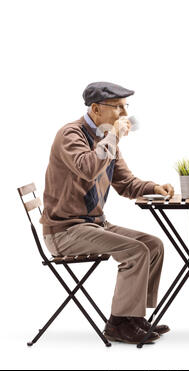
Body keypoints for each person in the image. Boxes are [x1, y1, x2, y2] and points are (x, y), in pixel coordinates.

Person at [39, 81, 175, 345]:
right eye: (118, 108)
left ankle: (132, 319)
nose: (124, 115)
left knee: (153, 245)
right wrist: (113, 136)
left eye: (126, 108)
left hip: (93, 225)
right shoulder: (71, 134)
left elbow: (126, 183)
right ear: (96, 109)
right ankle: (117, 323)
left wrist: (154, 187)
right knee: (136, 251)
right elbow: (88, 168)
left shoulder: (106, 139)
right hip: (65, 231)